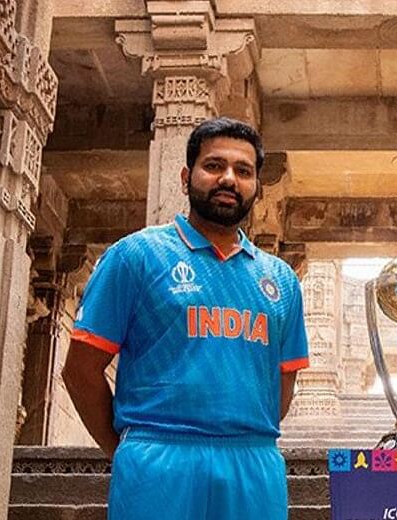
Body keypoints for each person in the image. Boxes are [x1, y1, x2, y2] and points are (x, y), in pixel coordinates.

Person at [62, 117, 309, 520]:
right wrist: (128, 448)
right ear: (185, 176)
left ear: (256, 188)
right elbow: (80, 371)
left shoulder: (282, 279)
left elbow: (281, 389)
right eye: (214, 166)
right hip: (158, 460)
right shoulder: (136, 256)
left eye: (243, 171)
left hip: (254, 462)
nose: (228, 178)